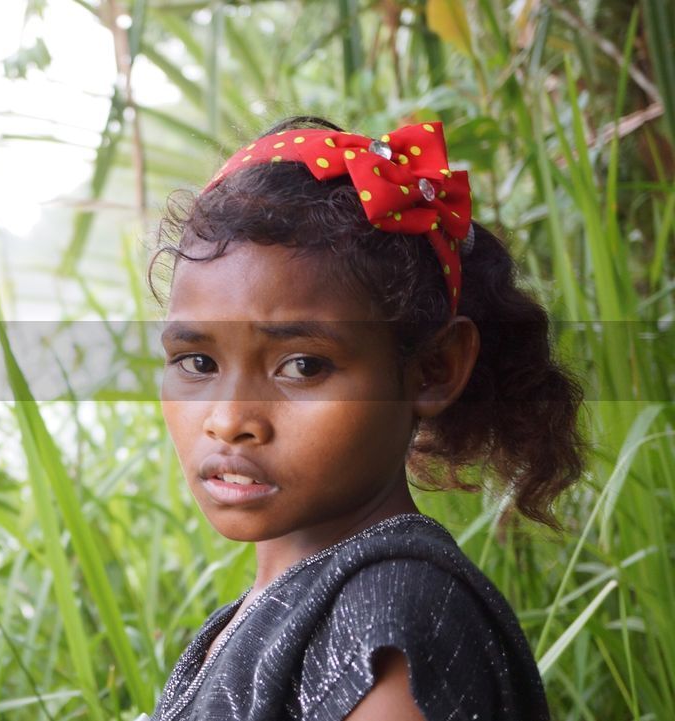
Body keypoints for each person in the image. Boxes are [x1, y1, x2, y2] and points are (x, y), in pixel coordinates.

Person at [142, 115, 590, 721]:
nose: (228, 420)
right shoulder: (282, 606)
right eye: (197, 361)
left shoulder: (392, 620)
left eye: (301, 367)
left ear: (433, 369)